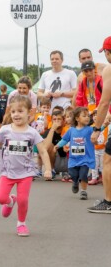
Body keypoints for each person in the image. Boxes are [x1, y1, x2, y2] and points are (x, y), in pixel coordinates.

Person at [0, 95, 52, 237]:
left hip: (26, 173)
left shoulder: (32, 133)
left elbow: (43, 151)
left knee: (23, 200)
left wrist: (48, 169)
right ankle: (10, 201)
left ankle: (21, 224)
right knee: (0, 198)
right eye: (13, 111)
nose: (16, 114)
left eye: (20, 111)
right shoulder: (5, 130)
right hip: (7, 171)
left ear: (29, 113)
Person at [89, 35, 111, 213]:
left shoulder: (109, 70)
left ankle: (109, 202)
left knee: (108, 160)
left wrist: (96, 129)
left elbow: (104, 103)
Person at [55, 107, 94, 200]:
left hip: (85, 158)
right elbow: (65, 139)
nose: (87, 118)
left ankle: (83, 191)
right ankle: (75, 182)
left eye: (88, 116)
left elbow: (97, 130)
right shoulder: (71, 130)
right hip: (73, 159)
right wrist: (57, 145)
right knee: (73, 174)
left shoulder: (89, 129)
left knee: (83, 175)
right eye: (84, 116)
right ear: (77, 118)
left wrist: (104, 125)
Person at [89, 110, 110, 185]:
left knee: (102, 165)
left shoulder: (105, 126)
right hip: (94, 149)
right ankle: (94, 178)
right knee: (94, 164)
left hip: (103, 149)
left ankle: (103, 178)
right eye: (94, 115)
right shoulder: (91, 127)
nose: (95, 117)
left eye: (97, 115)